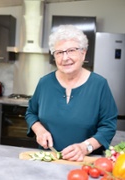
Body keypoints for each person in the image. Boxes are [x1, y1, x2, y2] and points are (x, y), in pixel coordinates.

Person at [25, 24, 118, 162]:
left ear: (83, 52)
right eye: (59, 52)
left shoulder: (99, 85)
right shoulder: (44, 83)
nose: (65, 58)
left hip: (86, 162)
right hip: (49, 160)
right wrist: (39, 130)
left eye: (71, 50)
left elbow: (108, 126)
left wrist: (85, 147)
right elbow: (31, 113)